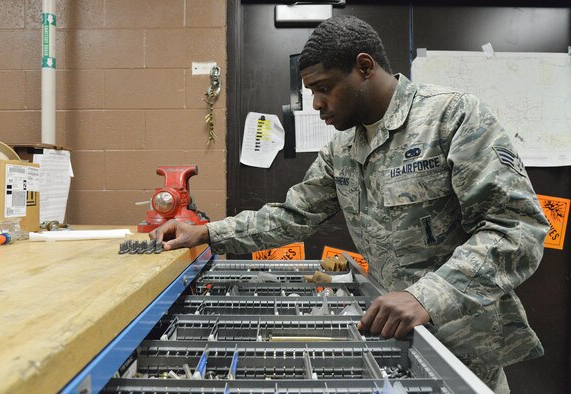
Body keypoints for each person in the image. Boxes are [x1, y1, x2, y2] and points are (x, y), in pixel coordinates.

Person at [151, 15, 549, 392]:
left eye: (324, 88)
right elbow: (293, 216)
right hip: (395, 337)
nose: (317, 104)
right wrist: (205, 232)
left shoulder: (453, 117)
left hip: (465, 342)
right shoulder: (343, 146)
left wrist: (425, 296)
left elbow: (517, 229)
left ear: (364, 67)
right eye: (311, 93)